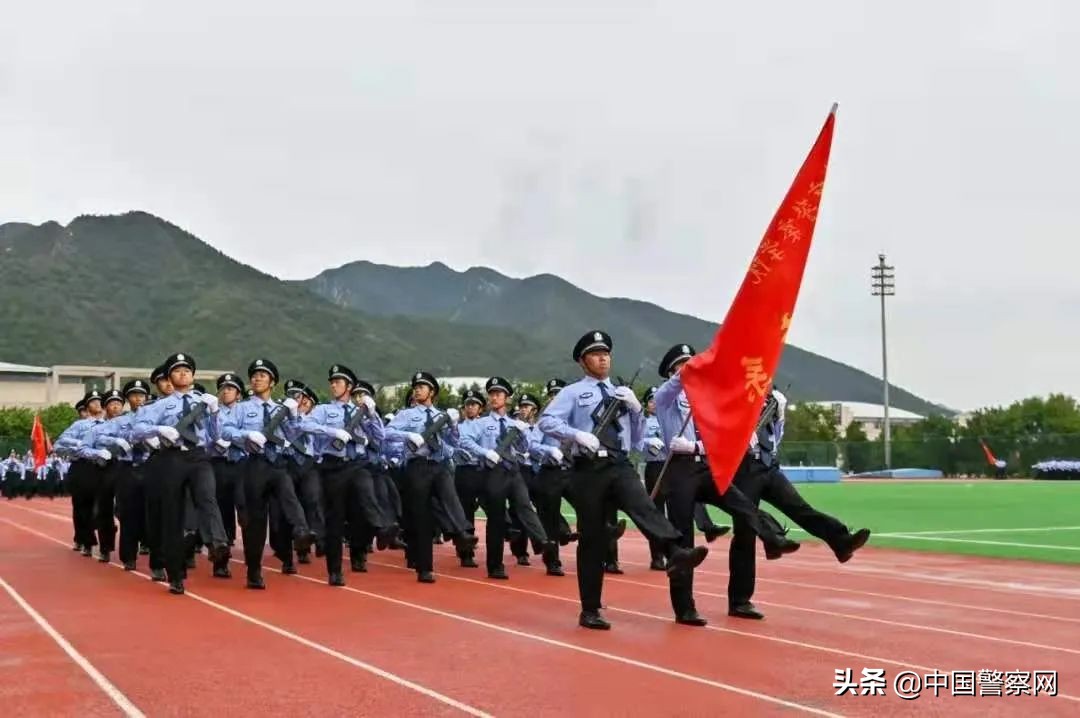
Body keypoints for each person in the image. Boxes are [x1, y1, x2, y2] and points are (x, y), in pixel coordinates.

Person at [537, 330, 710, 630]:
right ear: (583, 361)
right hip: (588, 468)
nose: (603, 357)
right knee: (592, 540)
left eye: (606, 352)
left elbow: (639, 437)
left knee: (644, 506)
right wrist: (577, 434)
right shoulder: (573, 393)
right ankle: (590, 609)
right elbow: (547, 421)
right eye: (595, 353)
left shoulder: (620, 392)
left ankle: (675, 552)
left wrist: (636, 408)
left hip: (620, 463)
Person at [131, 353, 232, 594]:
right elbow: (136, 430)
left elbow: (217, 436)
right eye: (177, 370)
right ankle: (176, 574)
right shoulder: (159, 406)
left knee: (207, 497)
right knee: (172, 516)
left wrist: (215, 411)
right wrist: (159, 429)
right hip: (171, 459)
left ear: (193, 375)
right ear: (169, 377)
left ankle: (217, 543)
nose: (183, 374)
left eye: (187, 370)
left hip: (198, 457)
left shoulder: (204, 401)